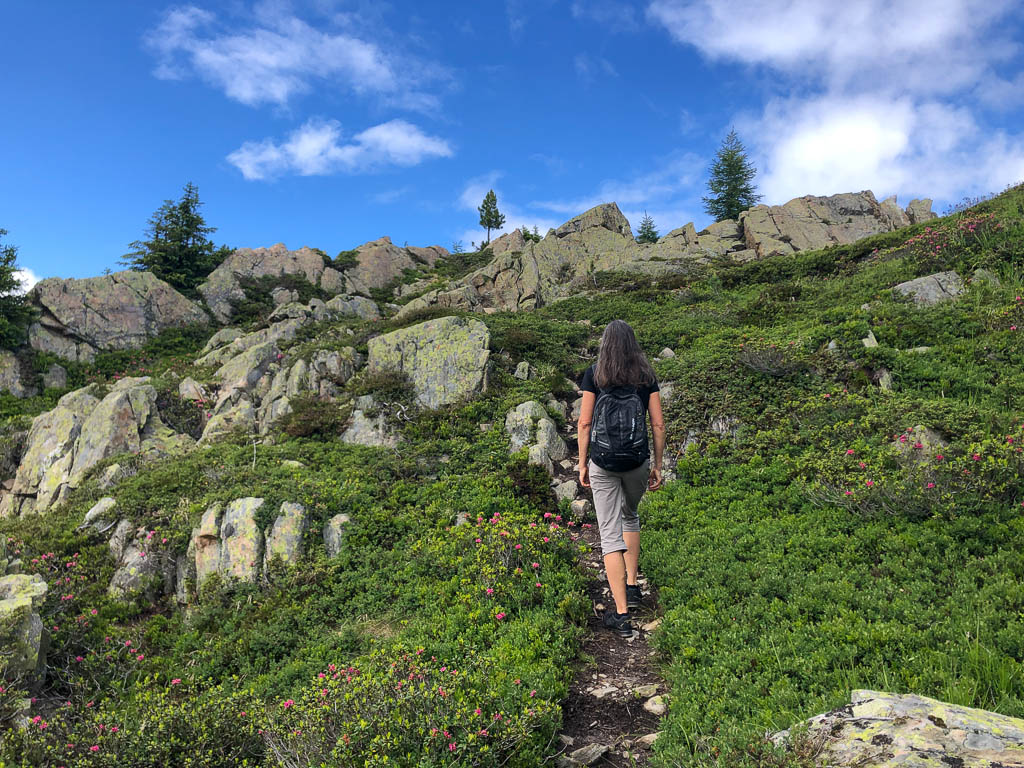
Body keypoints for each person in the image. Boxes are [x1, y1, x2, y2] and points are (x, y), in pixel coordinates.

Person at [577, 319, 666, 638]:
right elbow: (658, 424)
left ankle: (622, 615)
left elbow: (584, 423)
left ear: (605, 343)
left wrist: (582, 463)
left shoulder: (595, 373)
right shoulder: (646, 375)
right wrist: (657, 464)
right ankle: (632, 585)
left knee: (609, 535)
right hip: (637, 462)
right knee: (630, 515)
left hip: (603, 462)